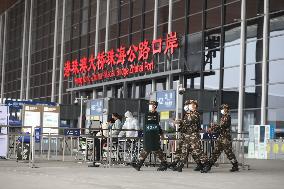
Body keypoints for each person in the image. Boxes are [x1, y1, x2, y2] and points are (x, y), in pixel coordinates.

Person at [170, 100, 210, 173]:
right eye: (190, 105)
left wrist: (180, 121)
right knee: (184, 150)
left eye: (192, 105)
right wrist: (179, 122)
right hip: (187, 135)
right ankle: (180, 166)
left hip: (193, 135)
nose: (191, 106)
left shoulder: (195, 114)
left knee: (197, 150)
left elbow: (190, 121)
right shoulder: (187, 114)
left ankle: (207, 164)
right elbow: (185, 124)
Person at [132, 101, 168, 171]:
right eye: (150, 105)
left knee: (154, 149)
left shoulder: (156, 115)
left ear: (155, 106)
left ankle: (164, 164)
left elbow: (157, 125)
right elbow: (147, 125)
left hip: (154, 135)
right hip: (148, 135)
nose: (150, 106)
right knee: (148, 149)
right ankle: (139, 165)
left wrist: (161, 134)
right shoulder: (147, 114)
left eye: (151, 105)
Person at [208, 104, 239, 172]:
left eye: (223, 108)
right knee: (216, 151)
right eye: (221, 108)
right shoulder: (223, 117)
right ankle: (209, 165)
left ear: (226, 109)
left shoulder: (227, 117)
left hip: (225, 138)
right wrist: (214, 127)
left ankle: (235, 165)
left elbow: (222, 126)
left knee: (229, 153)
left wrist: (213, 127)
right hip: (221, 137)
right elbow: (220, 127)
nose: (222, 110)